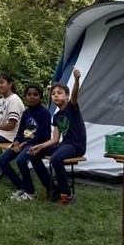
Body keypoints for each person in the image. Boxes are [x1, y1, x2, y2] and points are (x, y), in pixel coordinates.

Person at [28, 68, 86, 205]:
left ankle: (66, 193)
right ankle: (52, 189)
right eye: (53, 94)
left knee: (56, 158)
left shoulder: (72, 108)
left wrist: (77, 79)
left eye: (59, 93)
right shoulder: (56, 116)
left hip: (76, 145)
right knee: (33, 155)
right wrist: (39, 146)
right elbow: (55, 139)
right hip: (64, 144)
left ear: (67, 96)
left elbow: (75, 95)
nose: (55, 96)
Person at [0, 83, 52, 200]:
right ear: (25, 97)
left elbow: (44, 135)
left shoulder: (44, 113)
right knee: (2, 160)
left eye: (35, 95)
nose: (32, 97)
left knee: (21, 160)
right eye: (29, 94)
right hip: (23, 143)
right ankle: (22, 187)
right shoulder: (26, 113)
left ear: (40, 97)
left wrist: (25, 143)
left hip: (37, 144)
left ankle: (31, 192)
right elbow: (21, 131)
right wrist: (17, 141)